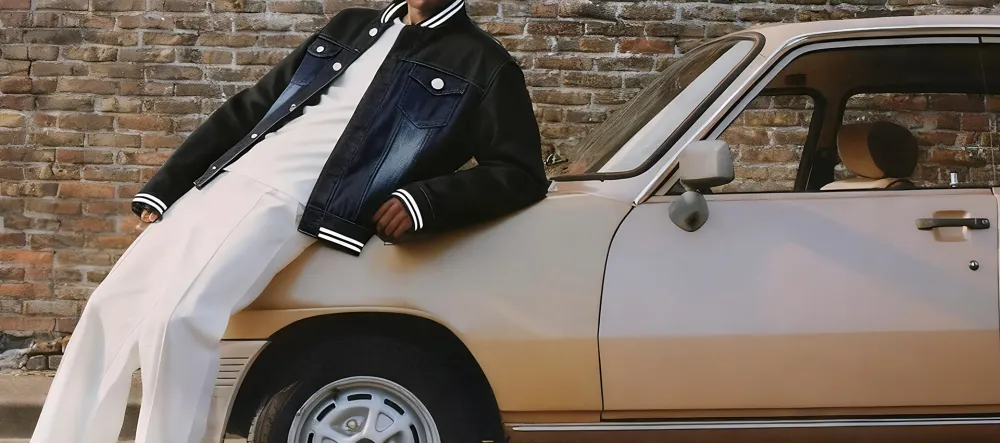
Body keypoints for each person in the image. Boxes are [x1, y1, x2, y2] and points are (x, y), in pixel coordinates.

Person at [28, 1, 549, 442]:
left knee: (179, 319)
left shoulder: (484, 63)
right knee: (108, 308)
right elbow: (254, 106)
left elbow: (520, 172)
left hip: (291, 199)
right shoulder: (352, 25)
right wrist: (168, 184)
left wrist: (425, 201)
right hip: (224, 180)